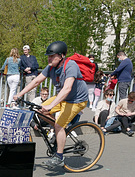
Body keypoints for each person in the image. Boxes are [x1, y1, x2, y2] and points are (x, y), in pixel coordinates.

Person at [14, 41, 89, 169]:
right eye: (48, 56)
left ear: (61, 56)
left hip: (76, 100)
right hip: (62, 97)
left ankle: (59, 157)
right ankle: (58, 131)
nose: (48, 58)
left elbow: (67, 88)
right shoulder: (51, 67)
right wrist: (19, 94)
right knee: (40, 110)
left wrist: (51, 105)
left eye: (51, 56)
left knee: (59, 125)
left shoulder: (71, 65)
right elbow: (37, 81)